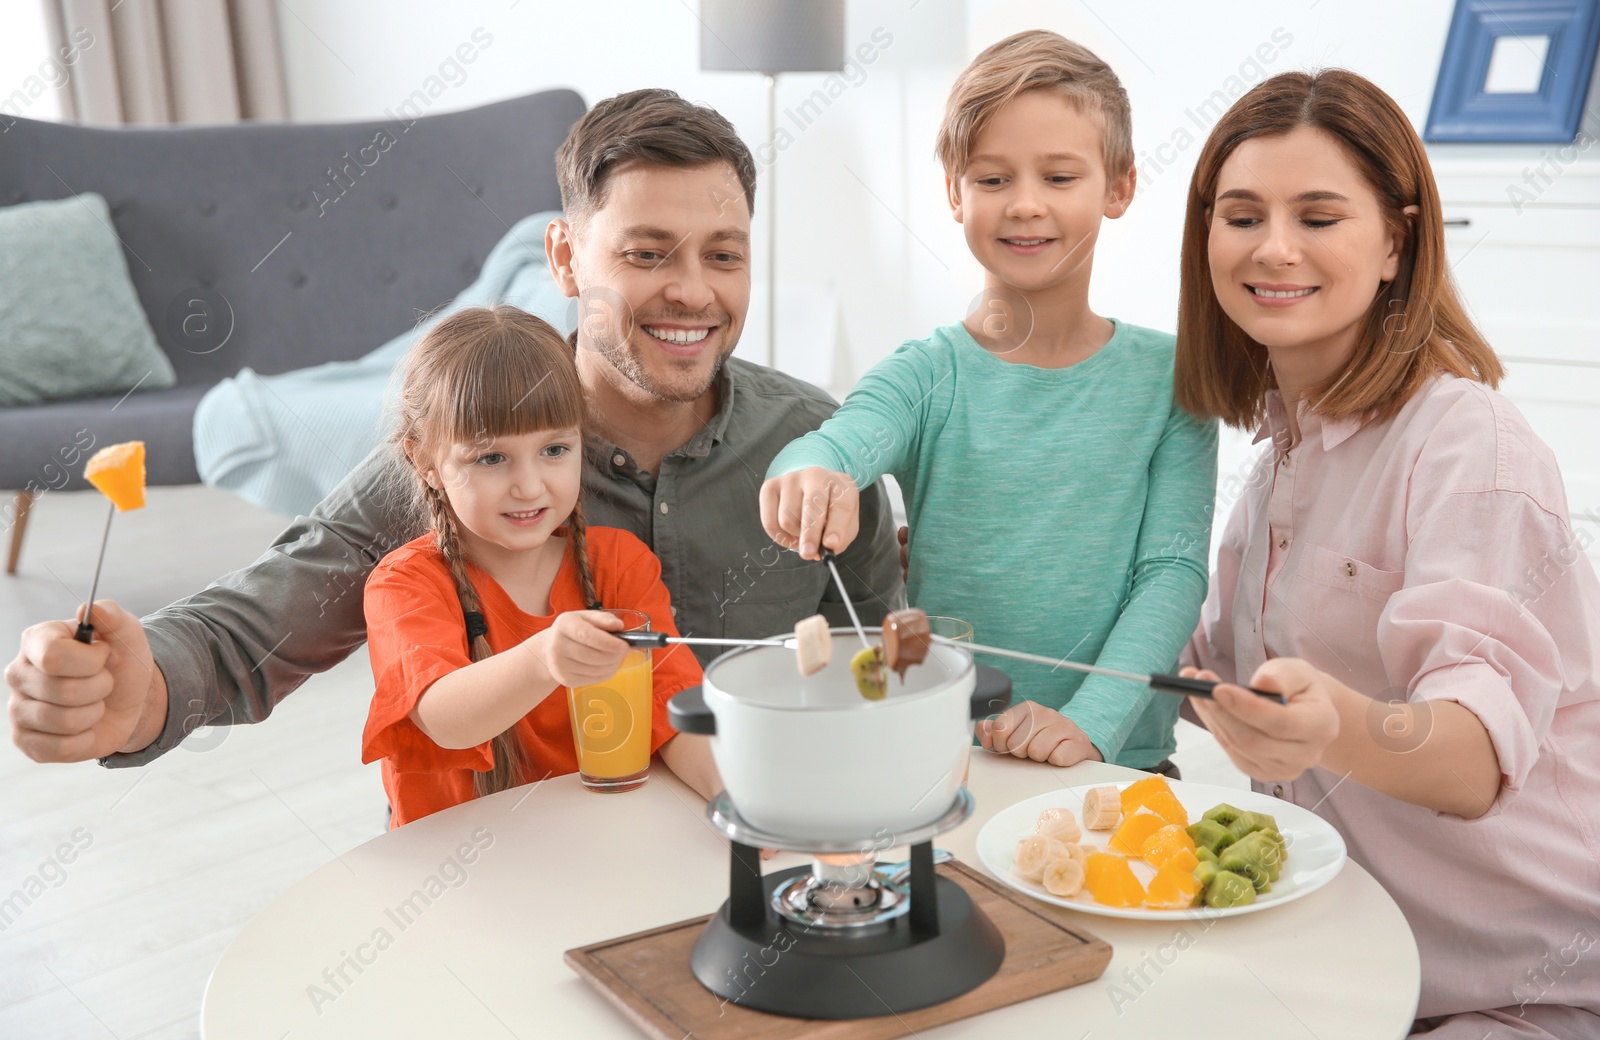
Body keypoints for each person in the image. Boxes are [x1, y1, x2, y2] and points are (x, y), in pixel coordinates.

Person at [6, 88, 903, 768]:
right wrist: (137, 691)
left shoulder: (820, 443)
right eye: (645, 253)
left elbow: (877, 659)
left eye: (724, 255)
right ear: (563, 257)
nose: (693, 292)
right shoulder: (466, 447)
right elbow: (253, 627)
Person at [1174, 69, 1600, 1038]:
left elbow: (1472, 755)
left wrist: (1334, 727)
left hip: (1522, 984)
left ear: (1395, 244)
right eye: (1241, 215)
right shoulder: (1274, 462)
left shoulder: (1467, 443)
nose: (1272, 247)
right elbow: (1207, 670)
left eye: (1317, 217)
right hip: (1348, 963)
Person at [760, 31, 1216, 772]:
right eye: (993, 179)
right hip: (951, 755)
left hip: (1115, 759)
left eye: (1060, 177)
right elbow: (838, 442)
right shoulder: (926, 374)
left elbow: (1172, 573)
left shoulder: (1174, 380)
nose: (1025, 205)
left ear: (1120, 186)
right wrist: (812, 471)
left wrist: (1090, 725)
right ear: (953, 192)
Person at [362, 306, 718, 825]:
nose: (529, 486)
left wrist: (739, 801)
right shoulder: (405, 584)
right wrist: (543, 660)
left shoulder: (618, 563)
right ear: (425, 462)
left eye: (553, 449)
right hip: (459, 870)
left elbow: (675, 717)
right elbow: (445, 719)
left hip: (599, 844)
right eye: (490, 458)